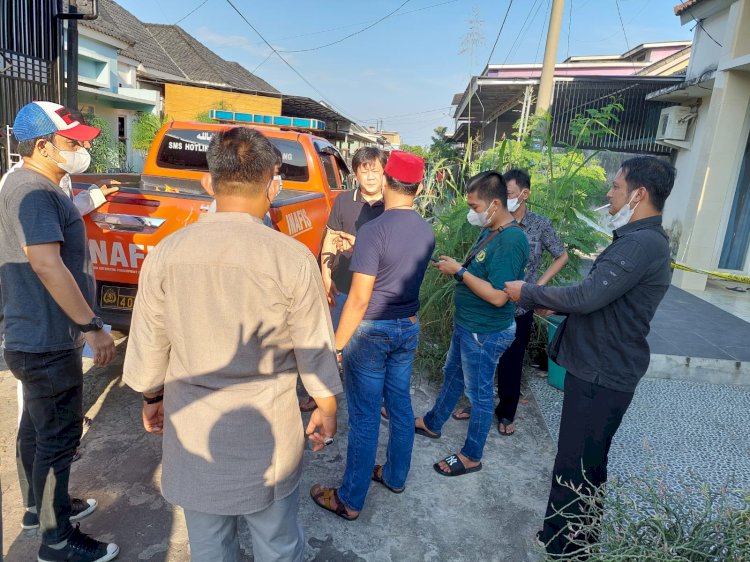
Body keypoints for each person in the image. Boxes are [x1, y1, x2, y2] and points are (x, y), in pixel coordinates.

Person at [123, 126, 342, 561]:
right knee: (277, 545)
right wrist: (326, 407)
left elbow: (151, 343)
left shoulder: (167, 252)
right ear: (273, 182)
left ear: (208, 182)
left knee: (209, 547)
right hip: (268, 434)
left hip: (193, 430)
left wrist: (152, 396)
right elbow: (314, 346)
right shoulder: (291, 257)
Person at [504, 156, 676, 556]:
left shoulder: (641, 244)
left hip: (603, 374)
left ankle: (567, 548)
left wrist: (528, 292)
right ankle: (573, 540)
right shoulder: (638, 241)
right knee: (587, 464)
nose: (609, 194)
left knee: (576, 465)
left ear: (639, 194)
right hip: (603, 370)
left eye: (616, 187)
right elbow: (602, 299)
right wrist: (558, 305)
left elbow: (588, 295)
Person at [0, 101, 118, 562]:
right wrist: (91, 326)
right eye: (72, 142)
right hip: (46, 338)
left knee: (37, 425)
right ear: (43, 145)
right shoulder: (34, 191)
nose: (81, 148)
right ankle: (57, 540)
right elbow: (46, 263)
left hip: (33, 335)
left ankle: (38, 508)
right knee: (59, 436)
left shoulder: (30, 185)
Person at [310, 150, 434, 520]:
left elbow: (360, 298)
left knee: (364, 417)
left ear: (388, 180)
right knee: (399, 405)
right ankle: (395, 476)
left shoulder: (373, 231)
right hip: (407, 327)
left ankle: (350, 499)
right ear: (419, 186)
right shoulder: (426, 229)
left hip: (372, 333)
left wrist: (336, 346)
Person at [415, 171, 529, 477]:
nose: (471, 212)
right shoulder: (492, 229)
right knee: (452, 375)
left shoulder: (511, 240)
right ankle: (433, 422)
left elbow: (498, 297)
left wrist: (460, 273)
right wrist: (456, 268)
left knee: (479, 395)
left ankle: (471, 455)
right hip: (470, 326)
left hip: (485, 332)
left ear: (494, 204)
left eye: (475, 206)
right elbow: (480, 271)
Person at [452, 169, 568, 435]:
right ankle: (476, 404)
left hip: (519, 306)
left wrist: (537, 287)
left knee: (511, 361)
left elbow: (561, 256)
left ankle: (506, 412)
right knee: (480, 361)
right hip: (487, 305)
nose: (505, 198)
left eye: (511, 194)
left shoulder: (539, 225)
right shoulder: (490, 224)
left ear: (524, 194)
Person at [297, 146, 388, 413]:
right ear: (356, 174)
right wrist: (326, 277)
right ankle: (322, 393)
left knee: (373, 347)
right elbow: (330, 238)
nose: (370, 177)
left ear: (384, 173)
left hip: (374, 292)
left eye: (376, 171)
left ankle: (378, 396)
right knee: (330, 343)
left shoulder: (391, 206)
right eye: (364, 170)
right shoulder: (344, 201)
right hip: (342, 286)